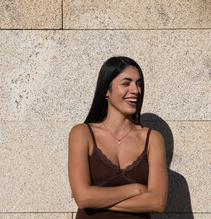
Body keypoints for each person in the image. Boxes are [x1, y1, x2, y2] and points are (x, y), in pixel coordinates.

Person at [68, 56, 168, 219]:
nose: (136, 90)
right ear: (106, 90)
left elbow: (157, 202)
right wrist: (136, 189)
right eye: (126, 83)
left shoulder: (152, 139)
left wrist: (96, 199)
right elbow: (84, 198)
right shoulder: (82, 133)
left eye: (138, 84)